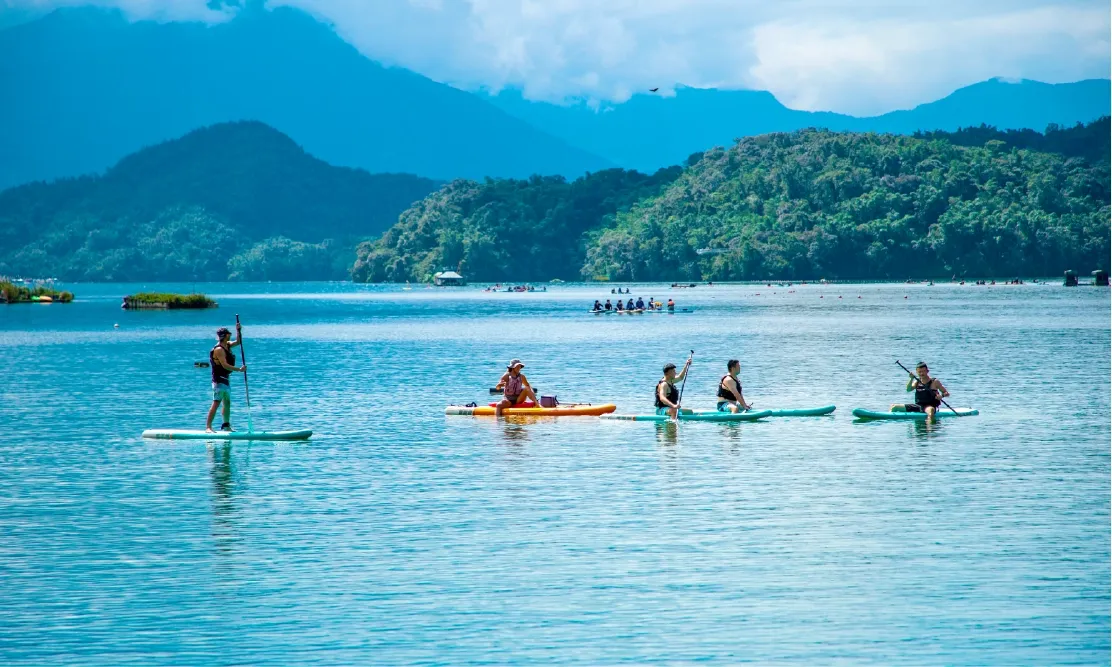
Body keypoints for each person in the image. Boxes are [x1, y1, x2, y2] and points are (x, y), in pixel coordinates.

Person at [205, 324, 246, 432]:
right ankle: (208, 427)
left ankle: (226, 425)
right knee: (217, 402)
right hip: (218, 380)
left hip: (225, 378)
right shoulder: (219, 349)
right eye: (229, 334)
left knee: (227, 402)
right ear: (225, 335)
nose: (230, 335)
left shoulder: (227, 345)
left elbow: (238, 342)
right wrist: (239, 369)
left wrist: (239, 331)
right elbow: (224, 365)